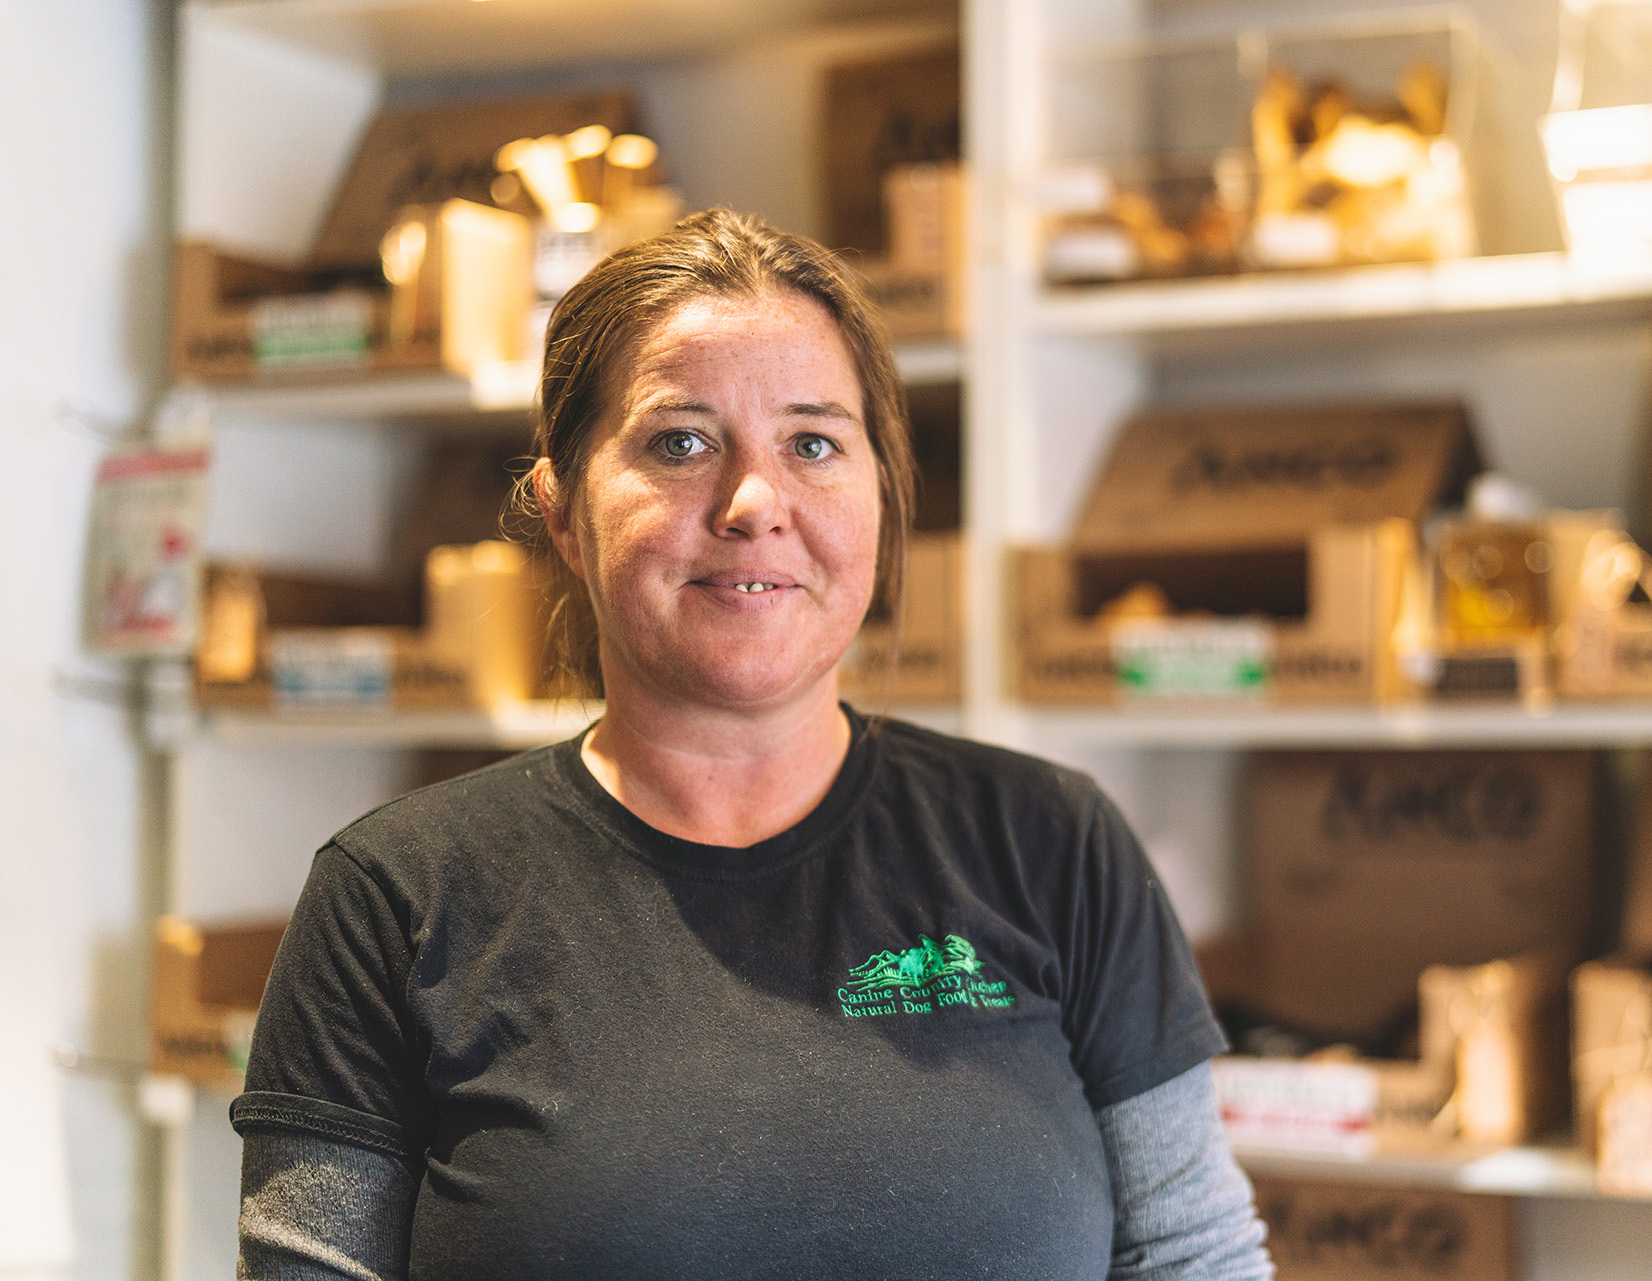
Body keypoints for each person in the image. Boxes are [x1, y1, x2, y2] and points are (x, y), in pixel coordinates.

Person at [231, 208, 1272, 1280]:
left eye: (813, 443)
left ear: (880, 495)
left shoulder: (1052, 844)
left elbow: (1193, 1254)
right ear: (560, 511)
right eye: (680, 442)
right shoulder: (395, 898)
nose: (754, 502)